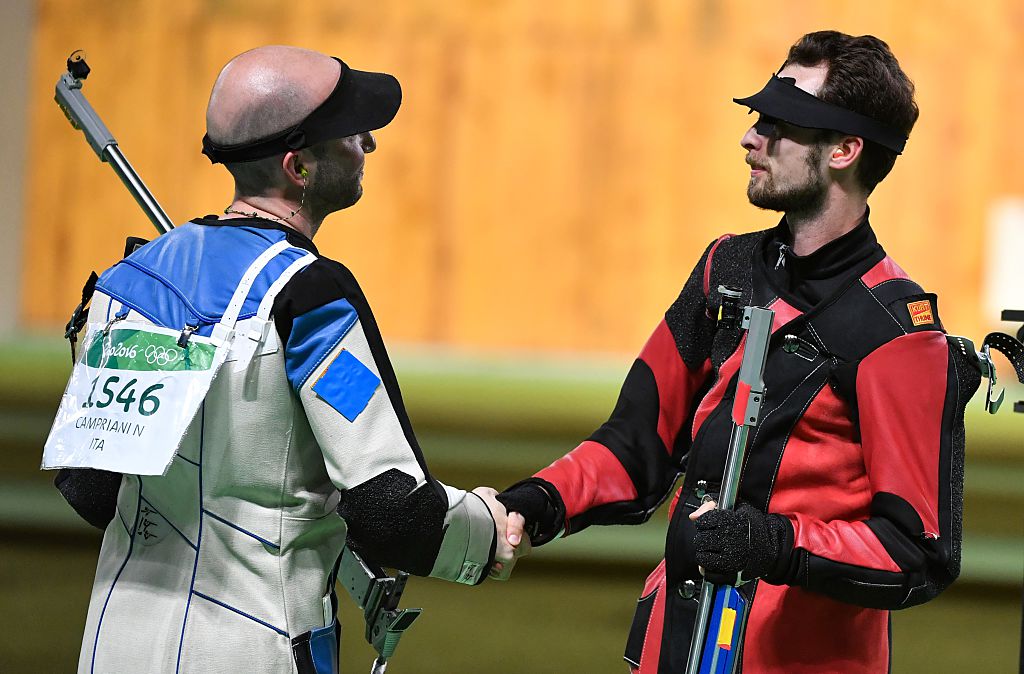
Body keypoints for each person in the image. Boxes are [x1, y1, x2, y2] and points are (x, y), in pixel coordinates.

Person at [497, 31, 980, 673]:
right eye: (758, 118)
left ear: (845, 149)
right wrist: (534, 502)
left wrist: (773, 544)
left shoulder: (900, 334)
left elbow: (918, 553)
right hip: (674, 650)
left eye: (781, 123)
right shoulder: (726, 267)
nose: (751, 137)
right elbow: (636, 442)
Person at [52, 45, 523, 673]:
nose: (368, 147)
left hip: (113, 643)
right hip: (258, 649)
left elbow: (90, 491)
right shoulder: (310, 295)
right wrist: (483, 531)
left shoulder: (121, 285)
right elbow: (391, 510)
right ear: (298, 166)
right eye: (351, 134)